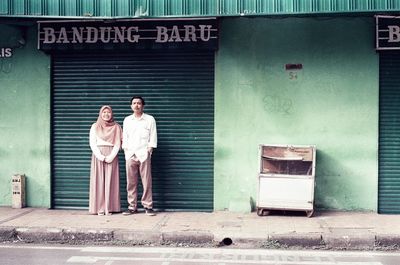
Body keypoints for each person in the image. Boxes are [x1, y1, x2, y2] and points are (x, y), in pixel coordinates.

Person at [122, 96, 157, 216]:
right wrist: (126, 152)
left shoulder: (149, 119)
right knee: (131, 182)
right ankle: (132, 207)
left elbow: (153, 136)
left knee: (146, 181)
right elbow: (125, 137)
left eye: (139, 103)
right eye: (134, 103)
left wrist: (149, 150)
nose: (136, 105)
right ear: (131, 106)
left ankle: (148, 206)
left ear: (143, 105)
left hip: (143, 154)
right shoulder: (127, 120)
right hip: (131, 154)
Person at [89, 105, 122, 216]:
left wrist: (111, 156)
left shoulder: (116, 127)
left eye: (108, 112)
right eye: (104, 112)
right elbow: (92, 143)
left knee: (111, 181)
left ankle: (110, 207)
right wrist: (101, 156)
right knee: (99, 181)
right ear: (100, 114)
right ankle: (100, 208)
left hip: (112, 155)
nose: (106, 114)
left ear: (111, 114)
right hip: (98, 155)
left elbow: (118, 143)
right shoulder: (95, 126)